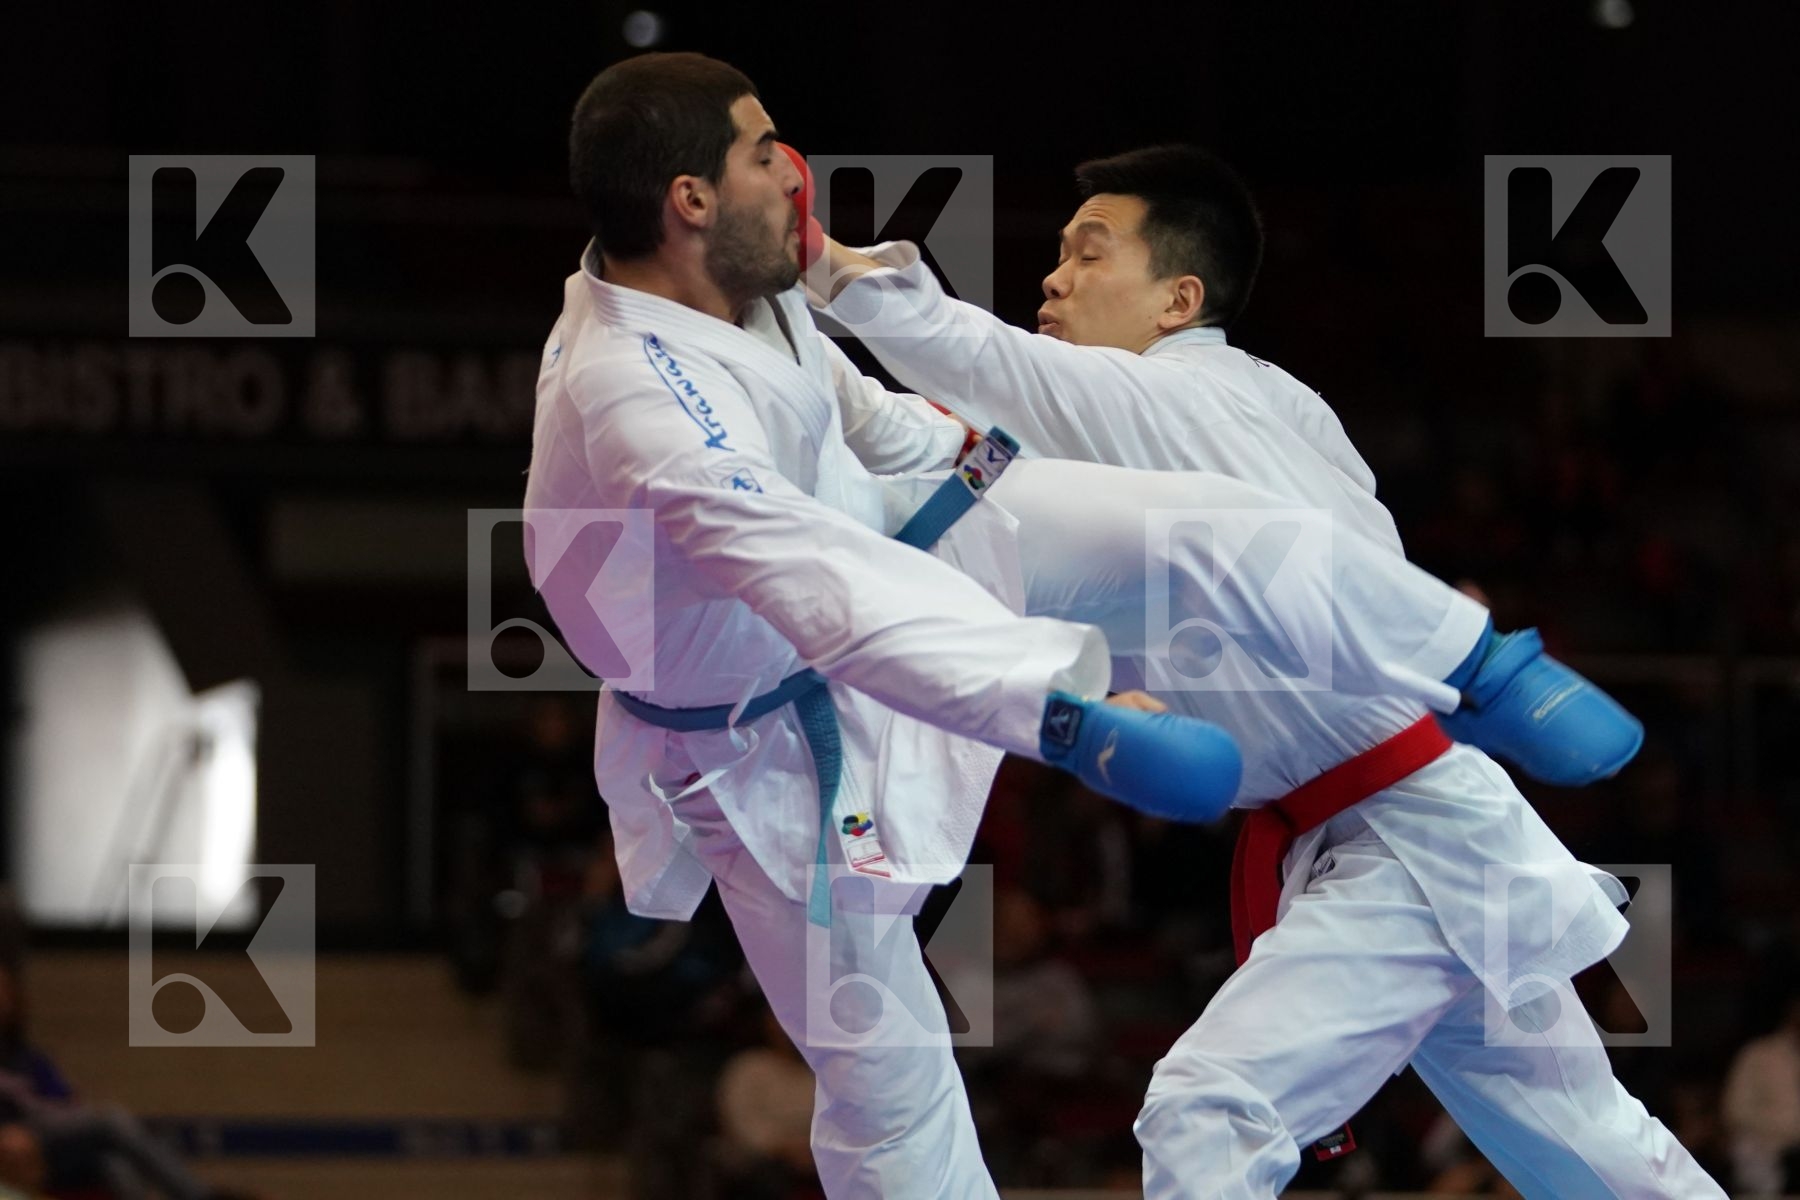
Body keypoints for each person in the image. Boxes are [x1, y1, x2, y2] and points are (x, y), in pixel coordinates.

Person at [528, 54, 1526, 1198]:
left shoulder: (742, 289)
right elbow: (826, 585)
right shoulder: (640, 402)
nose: (795, 176)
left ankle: (1486, 662)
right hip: (758, 725)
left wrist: (988, 464)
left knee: (1200, 521)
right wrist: (1062, 708)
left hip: (875, 550)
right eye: (764, 152)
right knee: (886, 1077)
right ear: (690, 199)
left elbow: (863, 418)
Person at [811, 143, 1723, 1197]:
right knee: (1602, 1158)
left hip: (1404, 839)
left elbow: (966, 353)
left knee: (1207, 1110)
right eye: (1056, 255)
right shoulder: (1253, 410)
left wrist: (813, 259)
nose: (1053, 279)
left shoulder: (1171, 396)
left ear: (1178, 299)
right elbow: (979, 474)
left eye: (1089, 254)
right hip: (1418, 829)